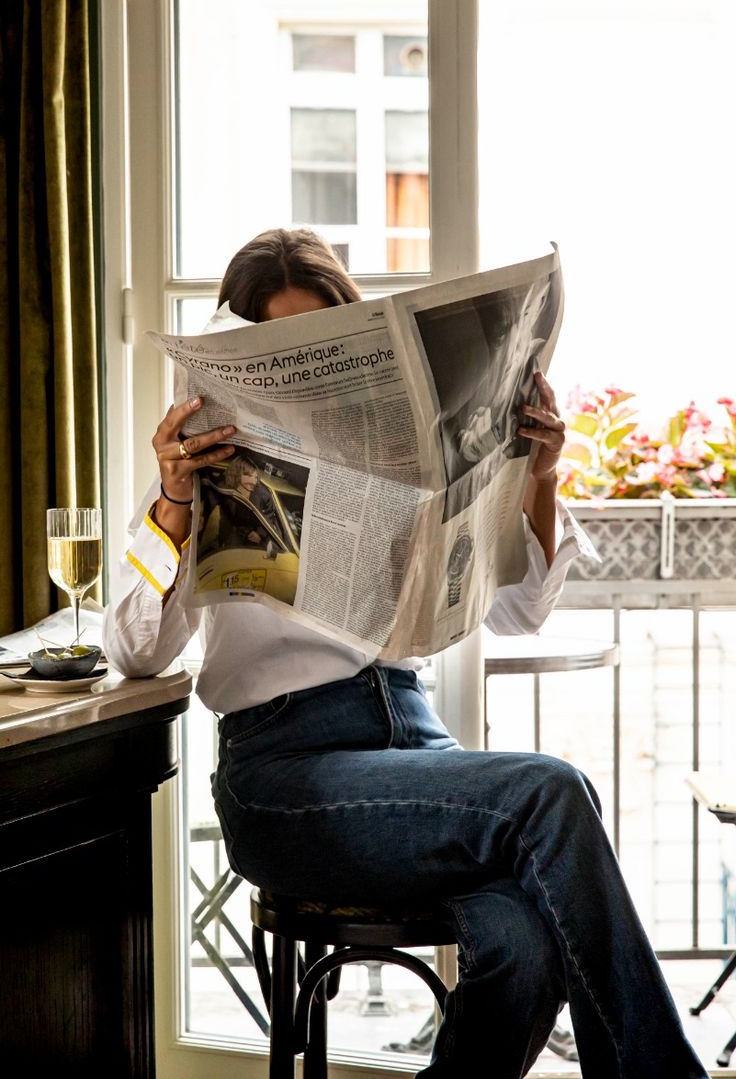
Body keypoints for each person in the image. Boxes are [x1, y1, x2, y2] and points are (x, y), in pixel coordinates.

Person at [103, 227, 708, 1079]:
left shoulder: (397, 466)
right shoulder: (199, 476)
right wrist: (171, 501)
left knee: (524, 941)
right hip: (285, 776)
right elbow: (132, 649)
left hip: (414, 754)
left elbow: (521, 612)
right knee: (553, 788)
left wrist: (538, 476)